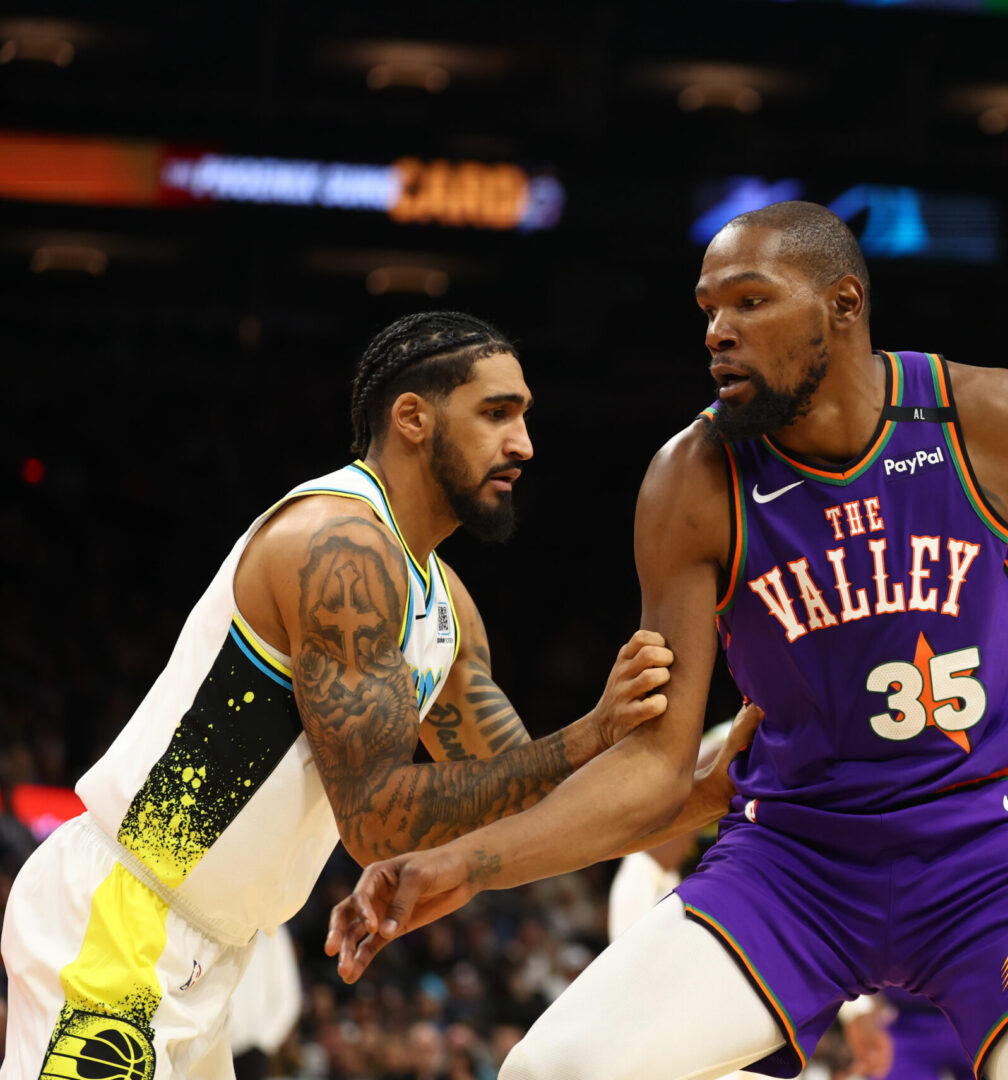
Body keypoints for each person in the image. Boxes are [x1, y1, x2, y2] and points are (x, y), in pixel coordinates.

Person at [327, 204, 1008, 1080]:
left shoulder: (982, 419)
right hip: (794, 865)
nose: (718, 332)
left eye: (750, 301)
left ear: (842, 305)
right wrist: (466, 863)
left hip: (986, 858)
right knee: (550, 1071)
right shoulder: (691, 481)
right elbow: (653, 766)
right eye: (708, 310)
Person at [0, 311, 747, 1079]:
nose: (523, 444)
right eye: (496, 414)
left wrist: (709, 791)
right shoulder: (336, 546)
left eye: (524, 417)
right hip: (122, 921)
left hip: (215, 953)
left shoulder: (445, 603)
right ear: (413, 418)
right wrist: (590, 732)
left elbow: (534, 807)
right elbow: (377, 822)